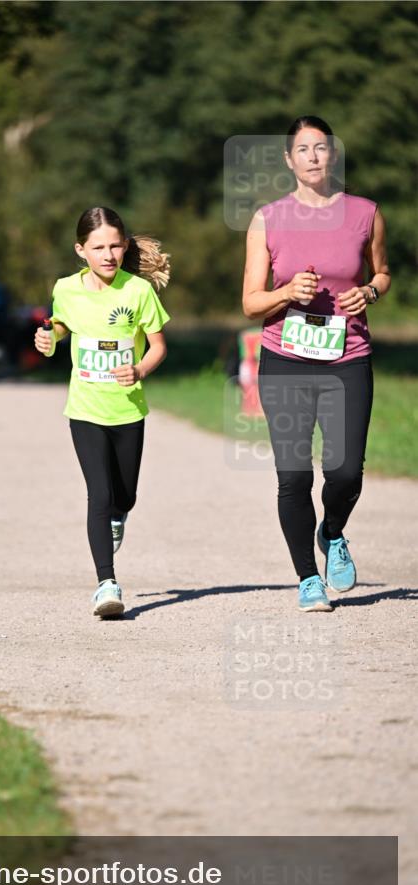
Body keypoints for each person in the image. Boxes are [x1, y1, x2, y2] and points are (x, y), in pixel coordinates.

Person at [242, 116, 391, 611]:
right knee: (294, 475)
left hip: (347, 357)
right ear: (288, 160)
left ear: (332, 155)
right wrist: (286, 293)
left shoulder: (365, 213)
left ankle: (332, 530)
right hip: (285, 359)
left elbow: (383, 272)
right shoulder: (268, 218)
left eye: (321, 148)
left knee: (346, 471)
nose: (312, 156)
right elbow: (250, 302)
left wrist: (369, 291)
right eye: (302, 149)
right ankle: (308, 577)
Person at [35, 206, 170, 617]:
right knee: (99, 493)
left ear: (125, 246)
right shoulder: (65, 288)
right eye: (98, 248)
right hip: (85, 407)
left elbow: (159, 346)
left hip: (128, 410)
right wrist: (50, 337)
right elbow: (62, 324)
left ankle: (119, 516)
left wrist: (140, 368)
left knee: (124, 496)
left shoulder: (138, 292)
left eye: (115, 246)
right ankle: (106, 584)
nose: (108, 255)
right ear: (81, 250)